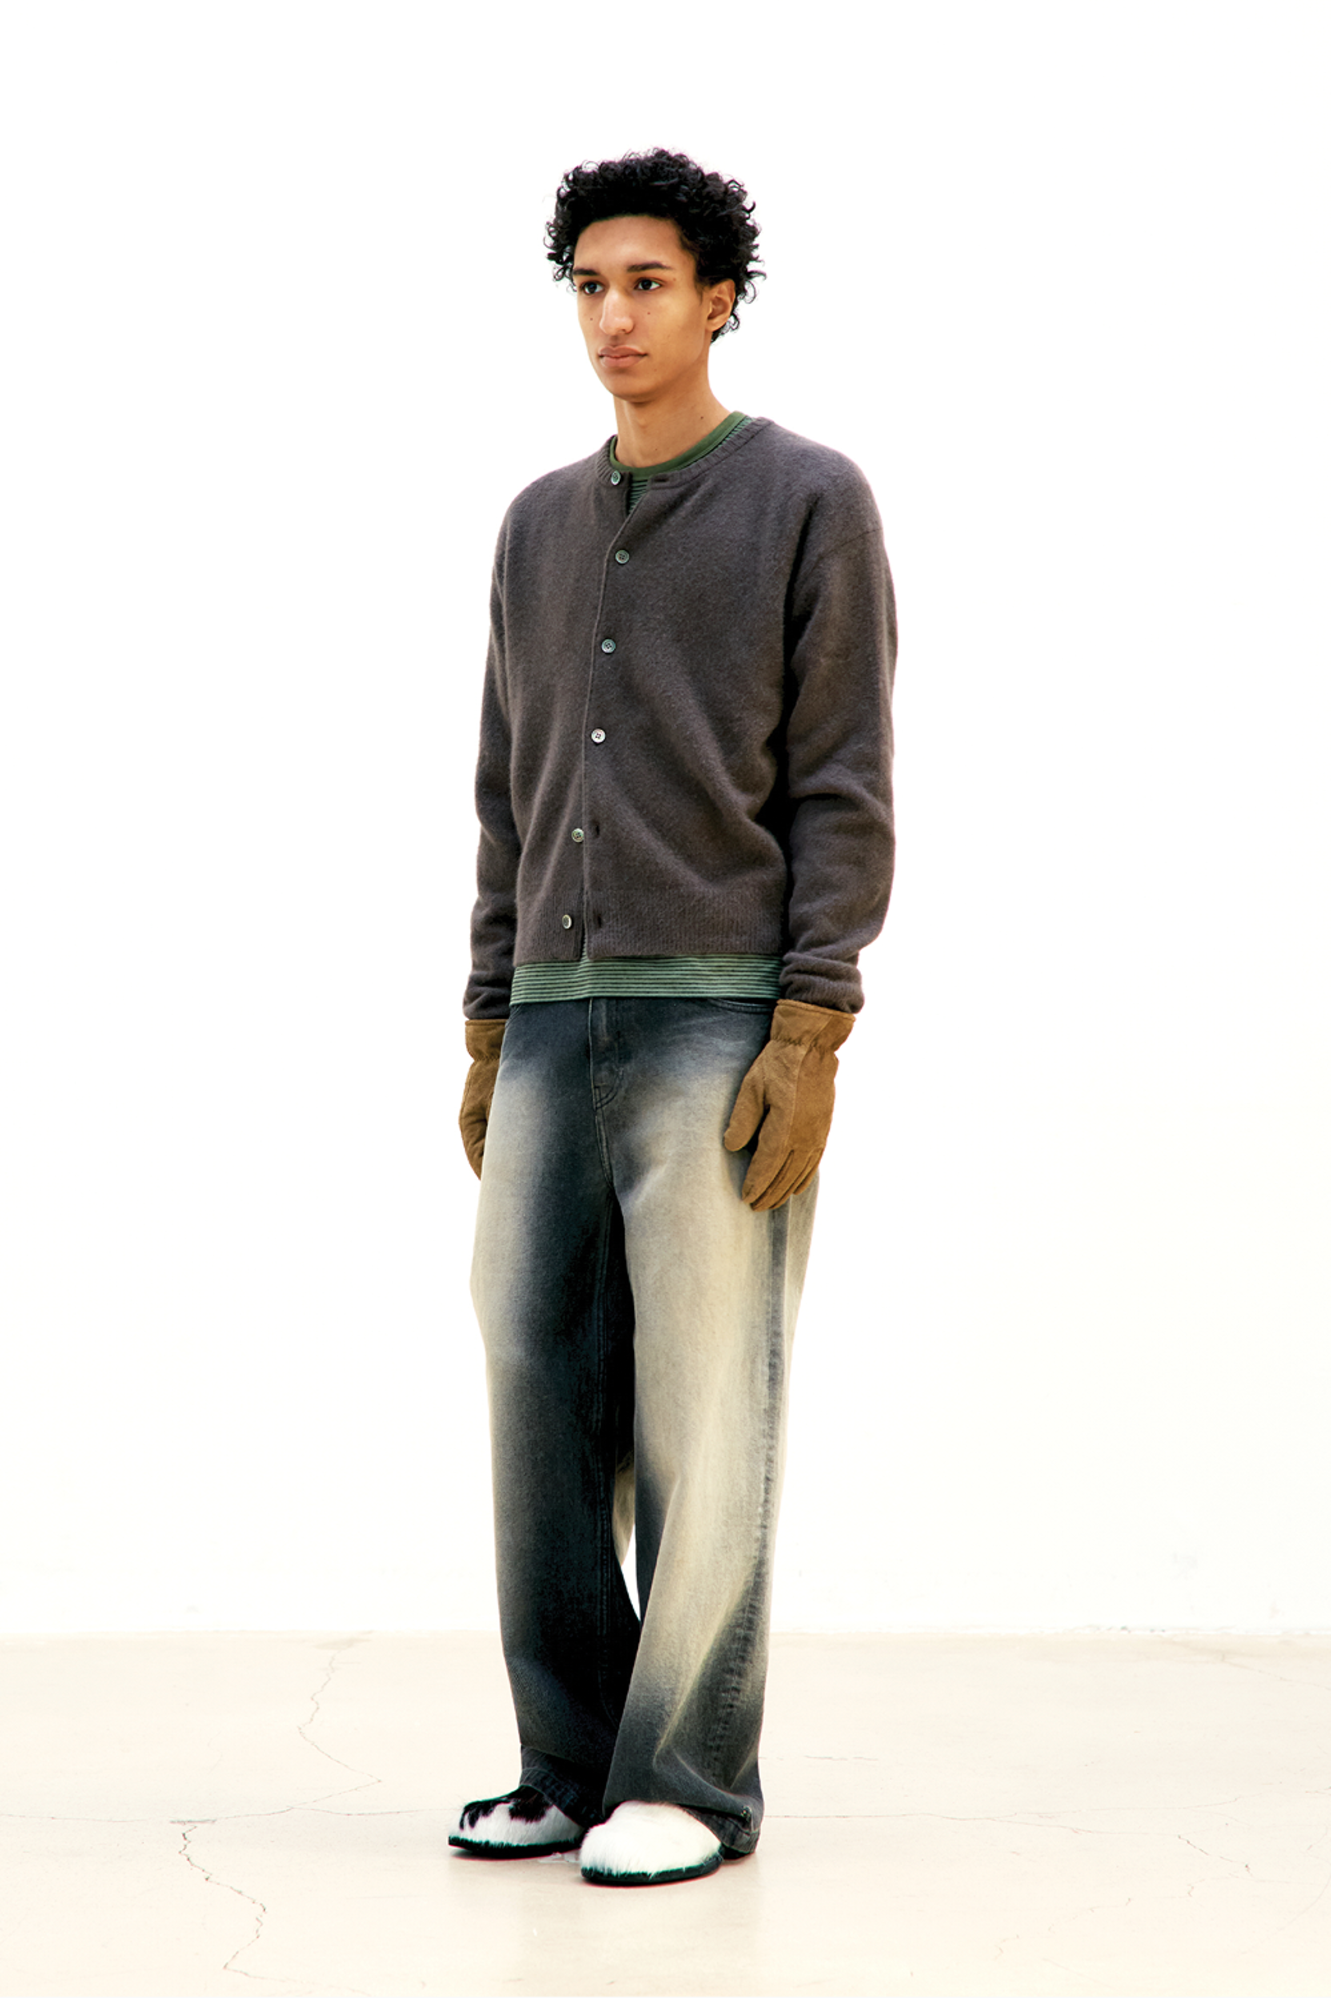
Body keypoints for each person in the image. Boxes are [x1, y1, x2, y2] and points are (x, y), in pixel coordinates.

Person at [450, 148, 896, 1889]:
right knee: (532, 1382)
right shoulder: (535, 526)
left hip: (718, 1021)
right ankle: (567, 1759)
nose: (613, 315)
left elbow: (842, 778)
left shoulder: (807, 499)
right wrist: (488, 1015)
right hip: (552, 1020)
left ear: (718, 299)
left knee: (706, 1405)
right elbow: (506, 788)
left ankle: (691, 1777)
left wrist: (810, 1022)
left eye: (647, 282)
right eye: (589, 283)